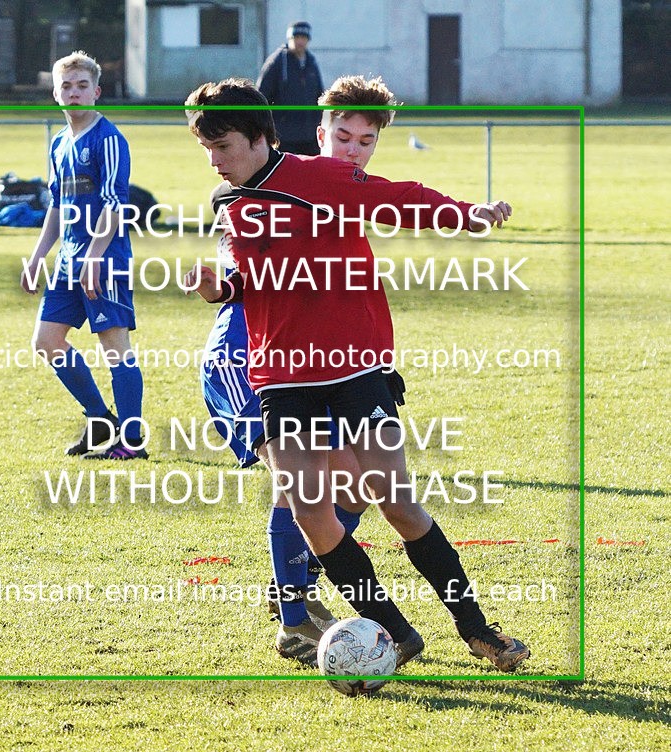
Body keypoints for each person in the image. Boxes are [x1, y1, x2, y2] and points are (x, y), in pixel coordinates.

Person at [183, 78, 531, 673]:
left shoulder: (320, 178)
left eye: (225, 146)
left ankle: (477, 629)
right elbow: (246, 279)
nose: (216, 161)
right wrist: (221, 287)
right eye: (208, 149)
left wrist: (467, 215)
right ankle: (394, 631)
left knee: (395, 503)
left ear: (260, 137)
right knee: (310, 510)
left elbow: (402, 196)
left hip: (354, 367)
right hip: (282, 373)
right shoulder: (228, 204)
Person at [187, 76, 400, 666]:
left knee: (354, 484)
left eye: (365, 141)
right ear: (318, 132)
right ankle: (296, 615)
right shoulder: (268, 182)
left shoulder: (343, 193)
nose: (352, 150)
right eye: (341, 135)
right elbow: (236, 263)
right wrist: (219, 282)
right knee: (302, 488)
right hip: (249, 360)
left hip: (322, 365)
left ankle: (297, 590)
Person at [20, 51, 147, 460]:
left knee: (115, 347)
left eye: (81, 86)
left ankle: (131, 441)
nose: (73, 93)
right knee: (46, 340)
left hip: (104, 259)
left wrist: (94, 256)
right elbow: (57, 206)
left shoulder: (108, 139)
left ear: (96, 91)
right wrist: (38, 255)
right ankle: (100, 420)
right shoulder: (59, 143)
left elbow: (115, 204)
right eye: (65, 87)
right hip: (68, 260)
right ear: (56, 93)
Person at [256, 21, 323, 155]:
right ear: (290, 38)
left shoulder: (311, 62)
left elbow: (319, 96)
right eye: (296, 37)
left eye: (303, 38)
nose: (300, 42)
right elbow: (261, 97)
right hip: (284, 137)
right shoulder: (276, 62)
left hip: (310, 136)